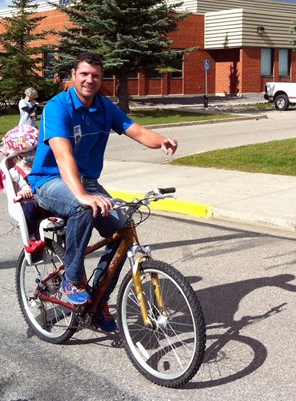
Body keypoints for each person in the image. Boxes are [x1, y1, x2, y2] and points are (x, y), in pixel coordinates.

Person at [28, 52, 178, 333]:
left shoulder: (104, 107)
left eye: (95, 75)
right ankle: (72, 279)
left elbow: (138, 131)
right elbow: (62, 156)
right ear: (74, 76)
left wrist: (162, 141)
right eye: (84, 74)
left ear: (101, 78)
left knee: (123, 231)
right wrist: (82, 195)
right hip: (49, 180)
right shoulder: (58, 107)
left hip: (85, 180)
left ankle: (98, 301)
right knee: (83, 207)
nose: (90, 80)